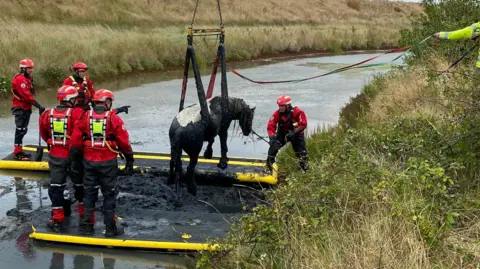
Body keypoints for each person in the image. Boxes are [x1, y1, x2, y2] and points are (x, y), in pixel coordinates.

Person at [69, 89, 134, 237]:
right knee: (109, 195)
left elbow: (75, 141)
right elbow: (124, 142)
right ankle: (110, 229)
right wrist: (129, 159)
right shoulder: (113, 118)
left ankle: (87, 226)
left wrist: (75, 161)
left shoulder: (85, 117)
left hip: (89, 162)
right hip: (108, 162)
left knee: (89, 193)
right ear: (108, 102)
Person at [39, 85, 86, 231]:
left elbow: (44, 134)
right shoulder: (77, 113)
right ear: (70, 99)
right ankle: (84, 216)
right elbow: (83, 132)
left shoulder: (47, 114)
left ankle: (57, 218)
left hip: (55, 155)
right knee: (79, 186)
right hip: (74, 156)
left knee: (56, 187)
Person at [11, 59, 45, 160]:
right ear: (23, 68)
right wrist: (39, 106)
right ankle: (17, 152)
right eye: (29, 68)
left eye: (31, 68)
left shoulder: (28, 78)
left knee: (24, 130)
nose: (31, 70)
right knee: (20, 130)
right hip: (20, 107)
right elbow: (27, 96)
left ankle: (19, 149)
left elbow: (31, 93)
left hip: (26, 107)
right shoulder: (20, 79)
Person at [264, 95, 308, 173]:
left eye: (282, 106)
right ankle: (269, 167)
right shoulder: (277, 113)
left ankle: (304, 170)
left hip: (296, 135)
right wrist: (272, 137)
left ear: (288, 105)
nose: (280, 108)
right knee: (273, 149)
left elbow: (303, 124)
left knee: (301, 153)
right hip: (282, 134)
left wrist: (294, 132)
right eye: (279, 106)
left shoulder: (298, 112)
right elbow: (271, 125)